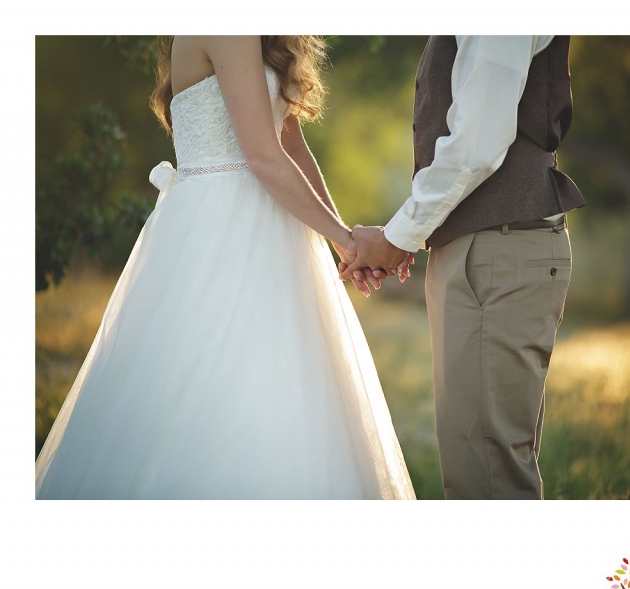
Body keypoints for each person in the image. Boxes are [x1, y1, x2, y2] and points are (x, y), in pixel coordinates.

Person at [35, 35, 415, 500]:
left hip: (277, 226)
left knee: (289, 380)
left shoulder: (265, 36)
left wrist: (342, 242)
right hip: (218, 227)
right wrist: (351, 241)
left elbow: (292, 146)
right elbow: (263, 156)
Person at [341, 36, 585, 499]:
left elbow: (476, 142)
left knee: (486, 476)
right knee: (476, 464)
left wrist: (397, 238)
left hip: (497, 251)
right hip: (486, 248)